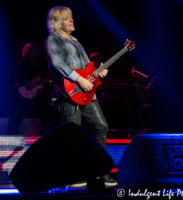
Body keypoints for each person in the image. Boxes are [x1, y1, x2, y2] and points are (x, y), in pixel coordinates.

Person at [44, 6, 117, 187]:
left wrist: (98, 73)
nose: (72, 20)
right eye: (68, 18)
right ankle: (75, 175)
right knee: (74, 135)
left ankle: (99, 171)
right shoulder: (53, 40)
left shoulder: (77, 42)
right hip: (67, 95)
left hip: (87, 94)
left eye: (72, 17)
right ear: (59, 21)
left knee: (101, 126)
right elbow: (57, 63)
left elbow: (87, 67)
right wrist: (79, 79)